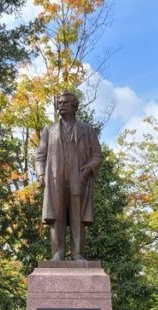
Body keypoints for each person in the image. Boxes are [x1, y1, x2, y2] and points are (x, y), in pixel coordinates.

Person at [35, 91, 103, 261]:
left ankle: (78, 254)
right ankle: (57, 254)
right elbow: (40, 156)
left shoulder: (87, 130)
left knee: (77, 218)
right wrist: (41, 174)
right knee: (56, 216)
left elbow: (97, 155)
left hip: (78, 179)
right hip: (55, 180)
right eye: (59, 102)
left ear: (74, 106)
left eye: (65, 102)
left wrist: (88, 169)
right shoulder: (49, 130)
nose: (60, 105)